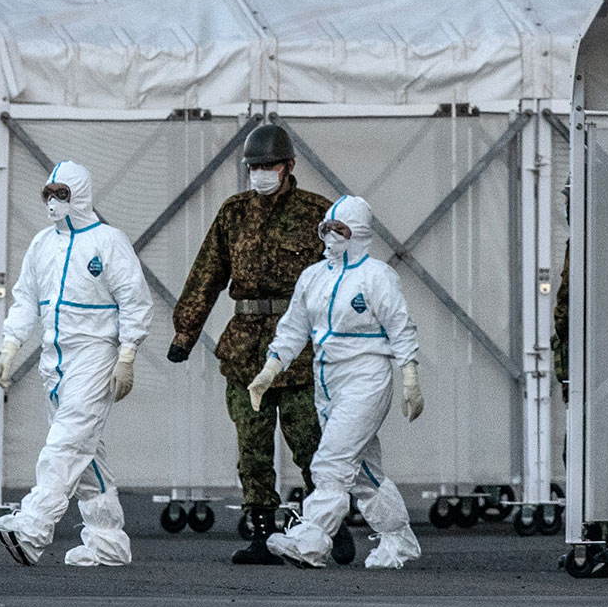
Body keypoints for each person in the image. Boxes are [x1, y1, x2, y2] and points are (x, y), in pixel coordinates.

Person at [168, 122, 328, 562]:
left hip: (299, 349)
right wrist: (186, 332)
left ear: (289, 166)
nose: (260, 173)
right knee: (252, 448)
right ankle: (261, 533)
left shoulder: (318, 214)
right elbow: (208, 274)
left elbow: (339, 279)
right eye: (254, 166)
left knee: (311, 443)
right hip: (244, 349)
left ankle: (325, 524)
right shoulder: (233, 213)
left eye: (268, 165)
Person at [0, 158, 153, 568]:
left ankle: (34, 525)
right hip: (54, 359)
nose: (53, 203)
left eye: (62, 195)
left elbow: (135, 300)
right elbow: (26, 300)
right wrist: (9, 348)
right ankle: (108, 540)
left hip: (95, 354)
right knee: (85, 450)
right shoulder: (43, 244)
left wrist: (126, 355)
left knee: (65, 443)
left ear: (79, 196)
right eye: (49, 195)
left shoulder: (108, 242)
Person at [250, 195, 424, 570]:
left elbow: (400, 327)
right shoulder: (313, 277)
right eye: (326, 229)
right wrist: (269, 370)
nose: (330, 237)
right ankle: (398, 539)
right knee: (363, 473)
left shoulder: (377, 276)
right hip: (327, 380)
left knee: (331, 461)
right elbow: (293, 329)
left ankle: (312, 539)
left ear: (359, 233)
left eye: (339, 229)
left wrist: (409, 375)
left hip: (367, 378)